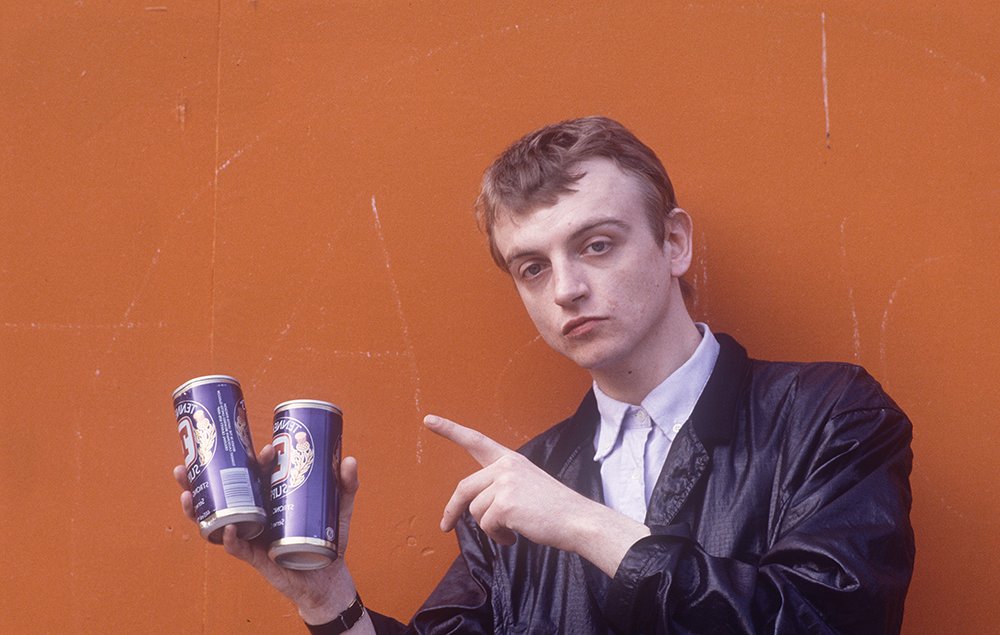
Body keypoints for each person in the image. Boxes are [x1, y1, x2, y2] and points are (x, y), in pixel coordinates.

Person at [174, 116, 915, 634]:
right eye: (532, 267)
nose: (565, 289)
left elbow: (831, 618)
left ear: (674, 242)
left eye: (597, 245)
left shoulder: (829, 413)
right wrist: (326, 598)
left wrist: (582, 523)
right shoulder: (518, 488)